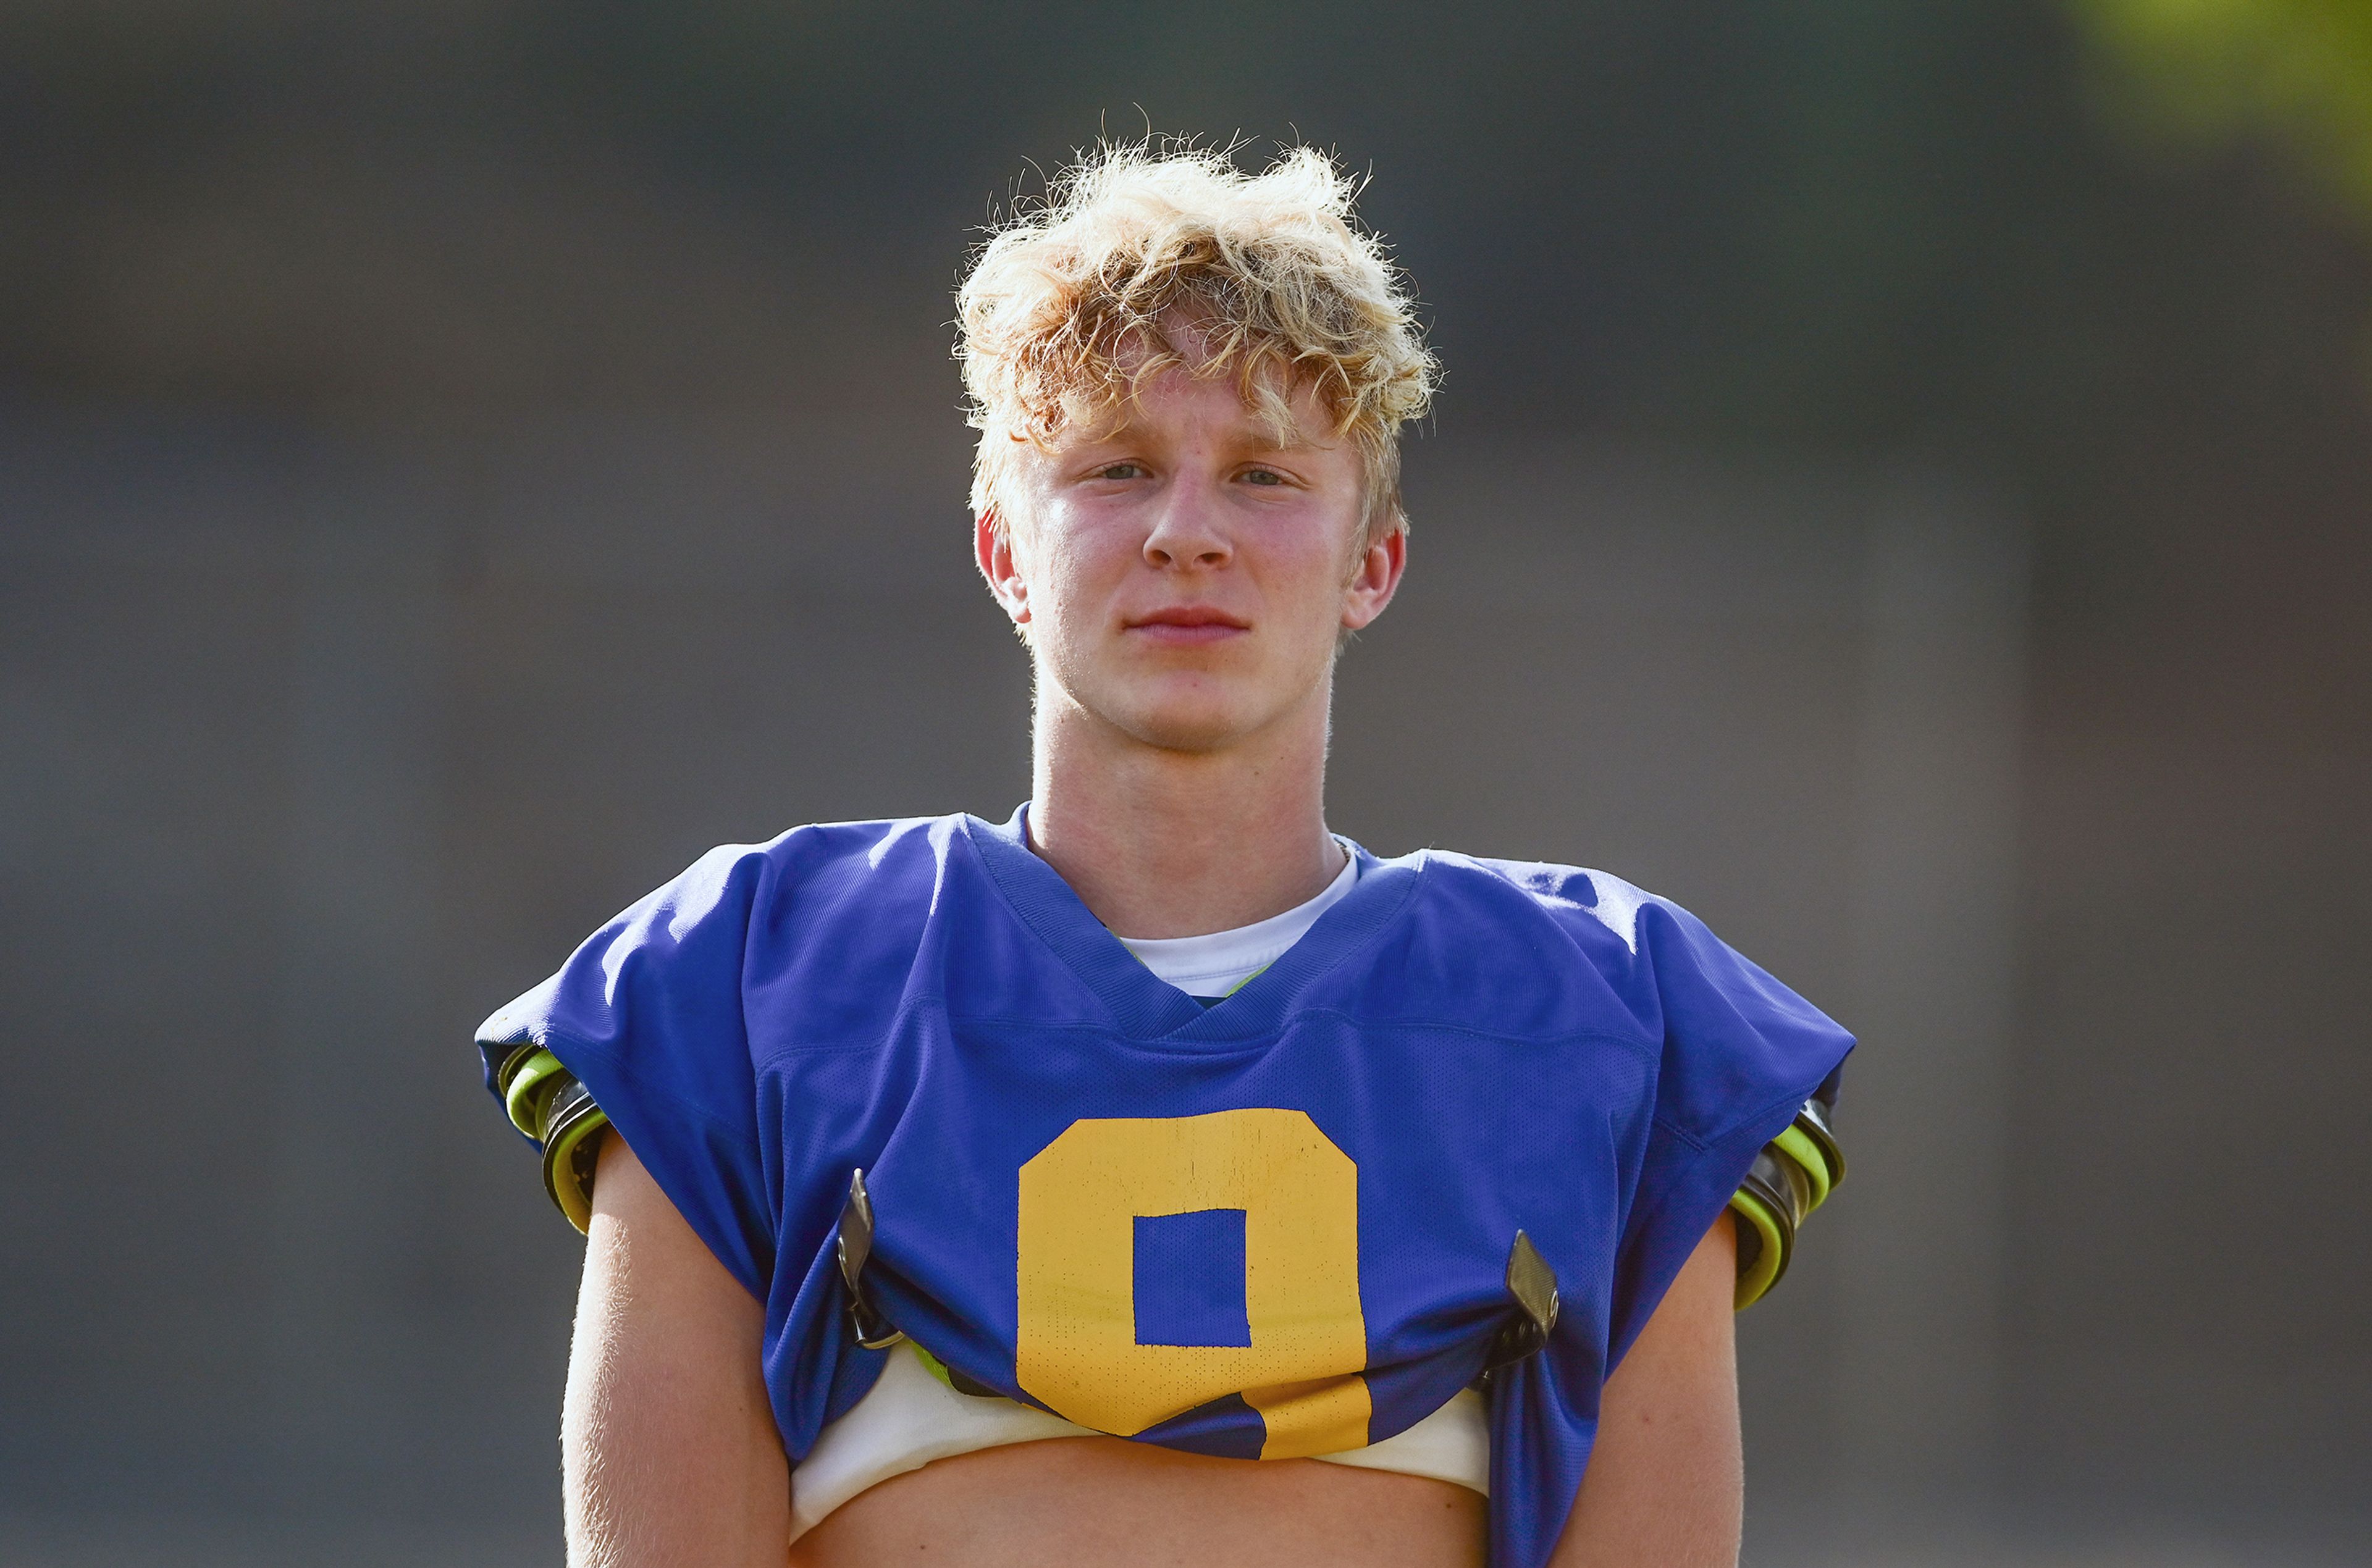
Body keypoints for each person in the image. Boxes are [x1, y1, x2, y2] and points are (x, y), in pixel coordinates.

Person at [477, 143, 1851, 1568]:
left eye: (1263, 476)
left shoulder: (1606, 1021)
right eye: (1117, 469)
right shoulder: (748, 985)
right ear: (1006, 549)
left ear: (1371, 561)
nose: (1187, 533)